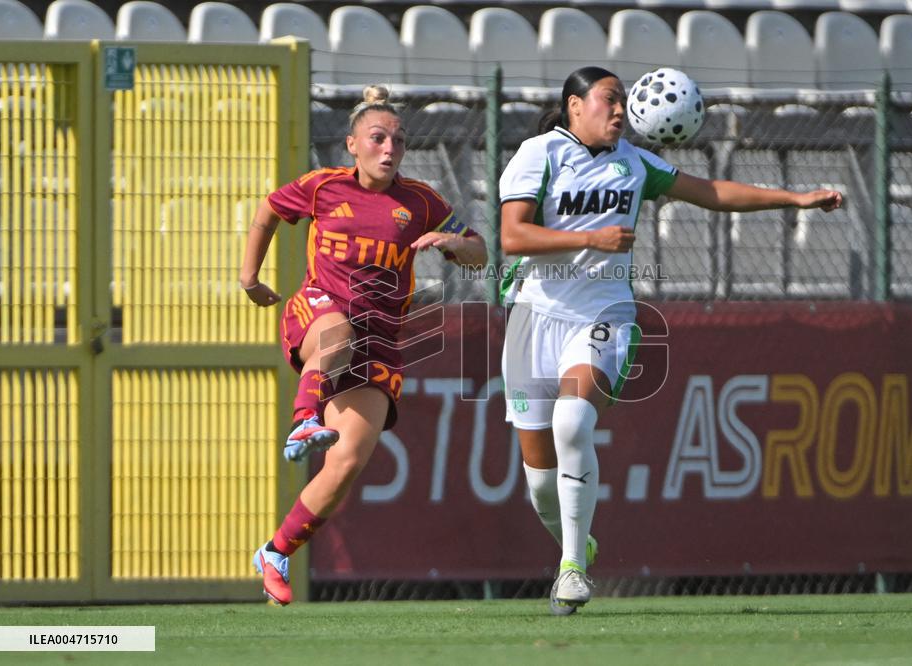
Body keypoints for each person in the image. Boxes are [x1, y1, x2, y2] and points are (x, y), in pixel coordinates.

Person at [498, 67, 842, 615]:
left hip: (601, 314)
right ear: (574, 106)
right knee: (540, 485)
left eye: (623, 102)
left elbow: (711, 192)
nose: (619, 110)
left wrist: (794, 200)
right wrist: (591, 237)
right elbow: (512, 235)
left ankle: (571, 569)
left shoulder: (633, 163)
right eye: (609, 100)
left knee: (573, 422)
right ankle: (577, 540)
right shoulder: (538, 154)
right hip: (532, 320)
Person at [241, 85, 487, 605]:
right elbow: (267, 211)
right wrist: (249, 278)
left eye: (398, 140)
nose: (389, 149)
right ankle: (304, 415)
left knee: (348, 460)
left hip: (381, 338)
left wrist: (451, 242)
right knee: (338, 334)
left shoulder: (422, 203)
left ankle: (276, 551)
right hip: (320, 308)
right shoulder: (322, 187)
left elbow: (480, 255)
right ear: (352, 144)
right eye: (378, 138)